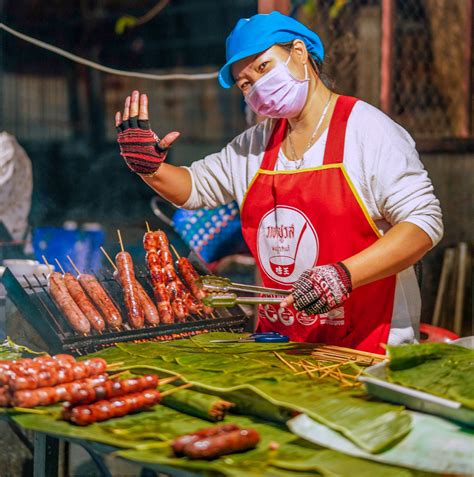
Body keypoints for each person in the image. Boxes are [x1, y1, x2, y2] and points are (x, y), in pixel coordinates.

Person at [115, 12, 443, 353]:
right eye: (245, 84)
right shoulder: (254, 144)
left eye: (263, 68)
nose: (256, 86)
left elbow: (423, 223)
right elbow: (195, 188)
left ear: (299, 53)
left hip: (367, 347)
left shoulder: (368, 131)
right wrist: (149, 167)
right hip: (284, 345)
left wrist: (343, 275)